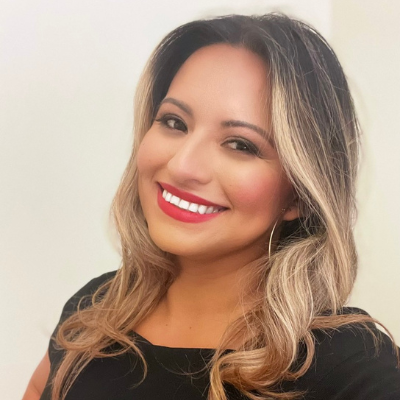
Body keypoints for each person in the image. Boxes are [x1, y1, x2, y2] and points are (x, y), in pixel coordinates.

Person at [23, 13, 400, 400]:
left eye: (240, 145)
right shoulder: (97, 308)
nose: (182, 165)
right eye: (174, 122)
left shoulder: (350, 365)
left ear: (299, 194)